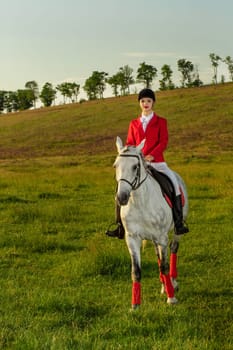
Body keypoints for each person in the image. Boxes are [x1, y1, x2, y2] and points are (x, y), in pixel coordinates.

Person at [106, 88, 189, 239]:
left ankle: (178, 222)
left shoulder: (161, 122)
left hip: (157, 163)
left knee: (175, 186)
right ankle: (120, 226)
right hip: (138, 165)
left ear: (153, 103)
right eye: (143, 101)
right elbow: (131, 142)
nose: (146, 103)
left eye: (149, 101)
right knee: (121, 189)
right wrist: (128, 152)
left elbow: (163, 142)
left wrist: (152, 155)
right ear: (139, 103)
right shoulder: (133, 123)